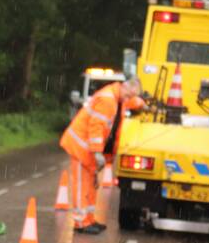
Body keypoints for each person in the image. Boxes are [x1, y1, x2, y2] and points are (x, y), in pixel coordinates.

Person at [59, 77, 146, 234]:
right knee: (81, 185)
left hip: (88, 150)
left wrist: (142, 104)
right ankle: (80, 222)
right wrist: (97, 152)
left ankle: (89, 219)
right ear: (125, 87)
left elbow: (132, 102)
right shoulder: (108, 101)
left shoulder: (119, 97)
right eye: (129, 95)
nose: (129, 99)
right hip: (82, 147)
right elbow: (96, 128)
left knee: (91, 186)